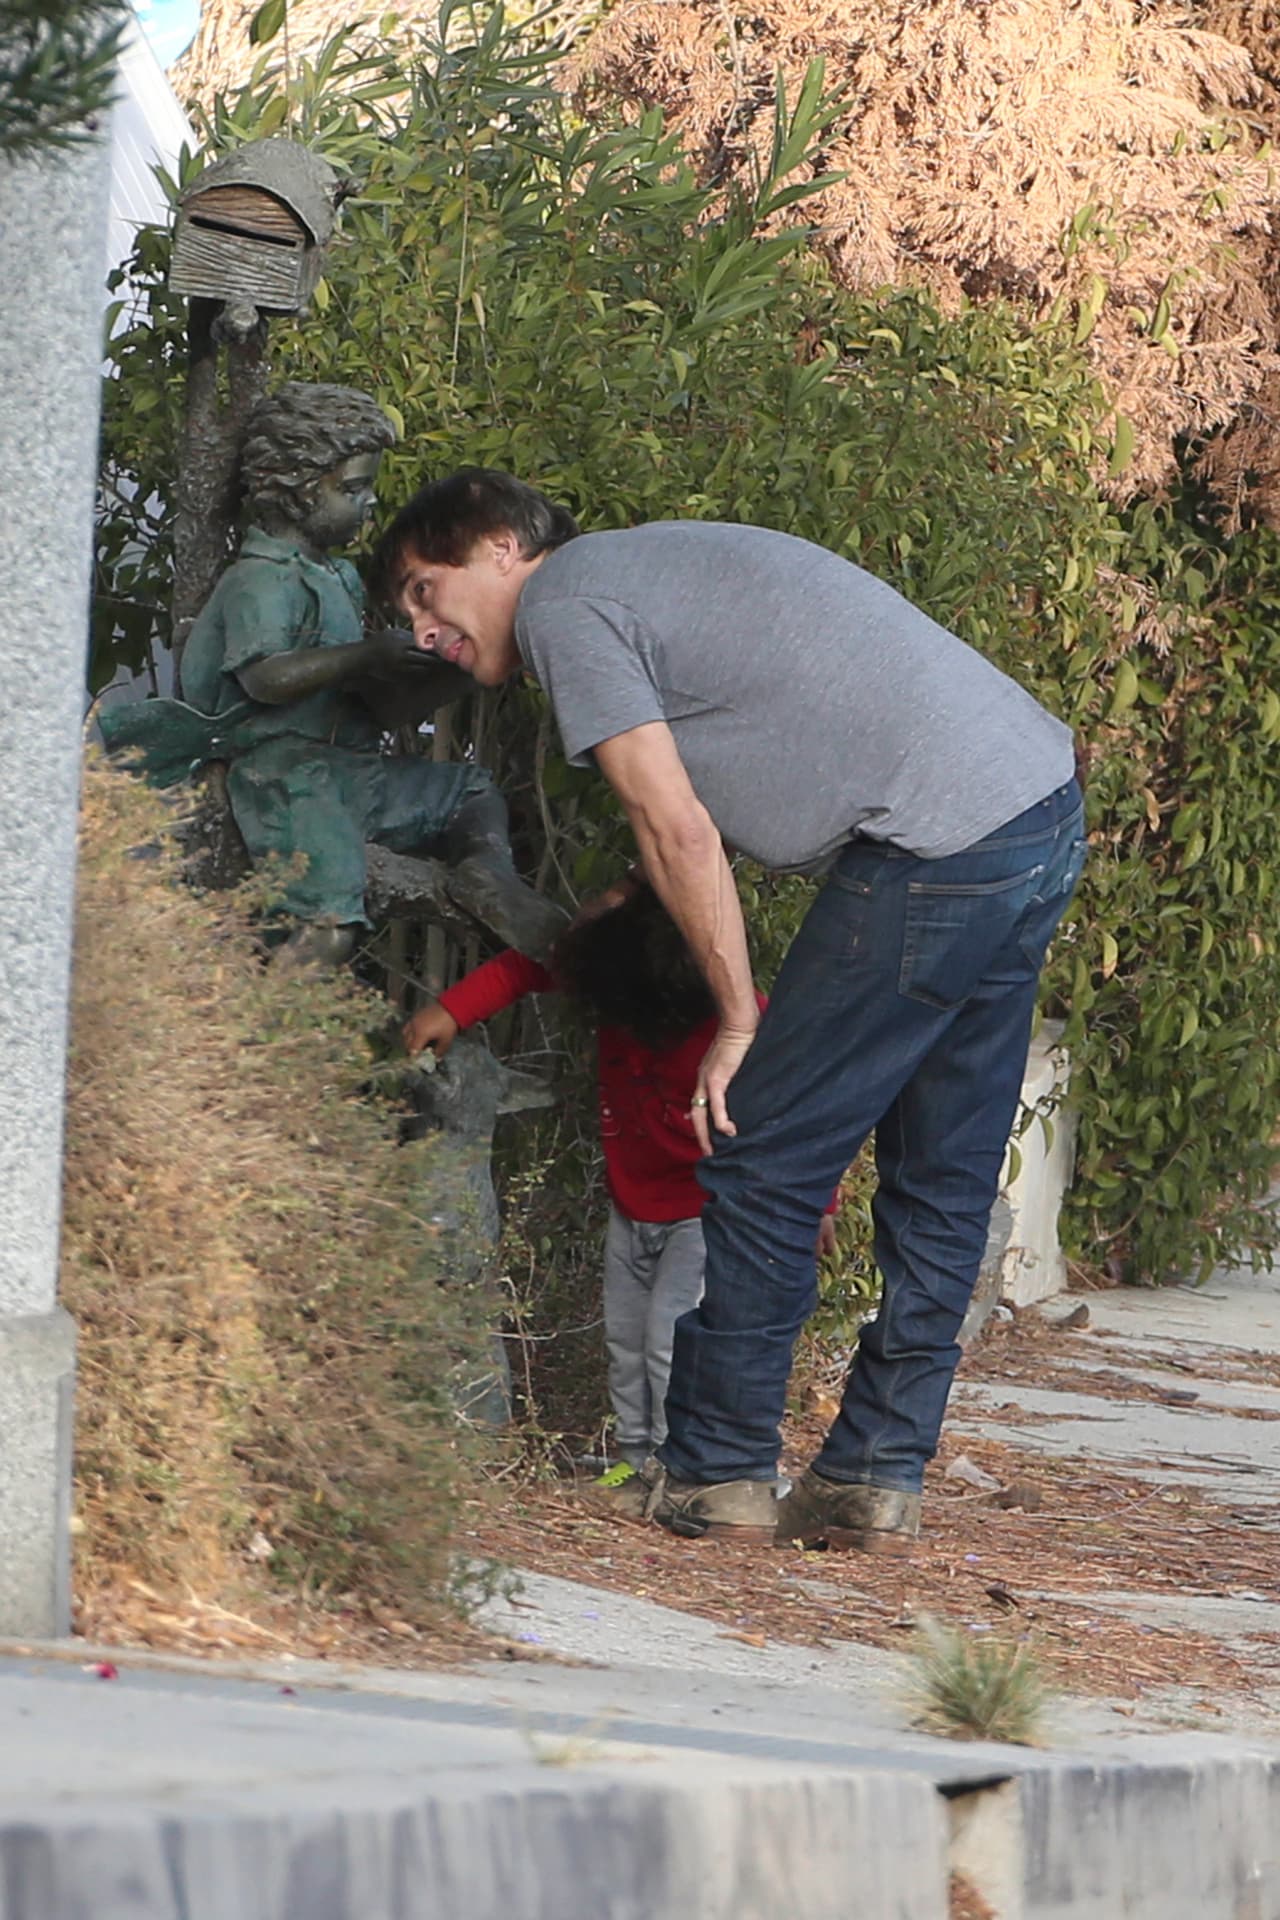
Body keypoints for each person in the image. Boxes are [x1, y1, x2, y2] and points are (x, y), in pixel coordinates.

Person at [372, 468, 1087, 1555]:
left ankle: (716, 1475)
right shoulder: (642, 572)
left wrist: (738, 1027)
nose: (423, 631)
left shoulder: (566, 601)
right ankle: (869, 1476)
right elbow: (684, 830)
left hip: (936, 841)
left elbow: (676, 831)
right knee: (940, 1176)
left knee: (756, 1147)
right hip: (1031, 808)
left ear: (502, 549)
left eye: (427, 592)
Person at [404, 879, 838, 1517]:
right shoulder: (614, 972)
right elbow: (528, 966)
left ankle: (677, 1470)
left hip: (706, 1210)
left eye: (611, 902)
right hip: (632, 1207)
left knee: (669, 1340)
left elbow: (809, 1109)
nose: (592, 908)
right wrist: (451, 1009)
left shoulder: (737, 1016)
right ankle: (633, 1468)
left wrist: (818, 1205)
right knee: (627, 1341)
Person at [103, 386, 562, 963]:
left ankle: (490, 877)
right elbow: (264, 678)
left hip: (353, 769)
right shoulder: (263, 578)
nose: (369, 503)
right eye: (352, 488)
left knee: (470, 792)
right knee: (325, 931)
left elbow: (371, 703)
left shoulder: (337, 577)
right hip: (288, 775)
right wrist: (367, 655)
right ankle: (265, 1039)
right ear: (293, 492)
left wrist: (451, 671)